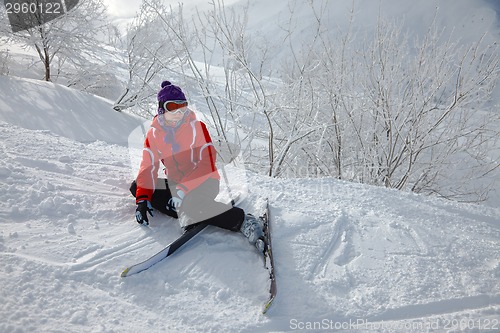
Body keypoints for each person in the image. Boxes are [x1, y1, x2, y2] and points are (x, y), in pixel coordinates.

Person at [130, 81, 265, 252]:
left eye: (183, 106)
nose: (179, 112)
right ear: (161, 109)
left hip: (205, 181)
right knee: (137, 187)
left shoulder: (196, 128)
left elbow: (206, 163)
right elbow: (147, 167)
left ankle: (243, 221)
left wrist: (183, 189)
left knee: (191, 204)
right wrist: (142, 200)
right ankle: (189, 209)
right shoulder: (154, 134)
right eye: (173, 106)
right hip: (177, 185)